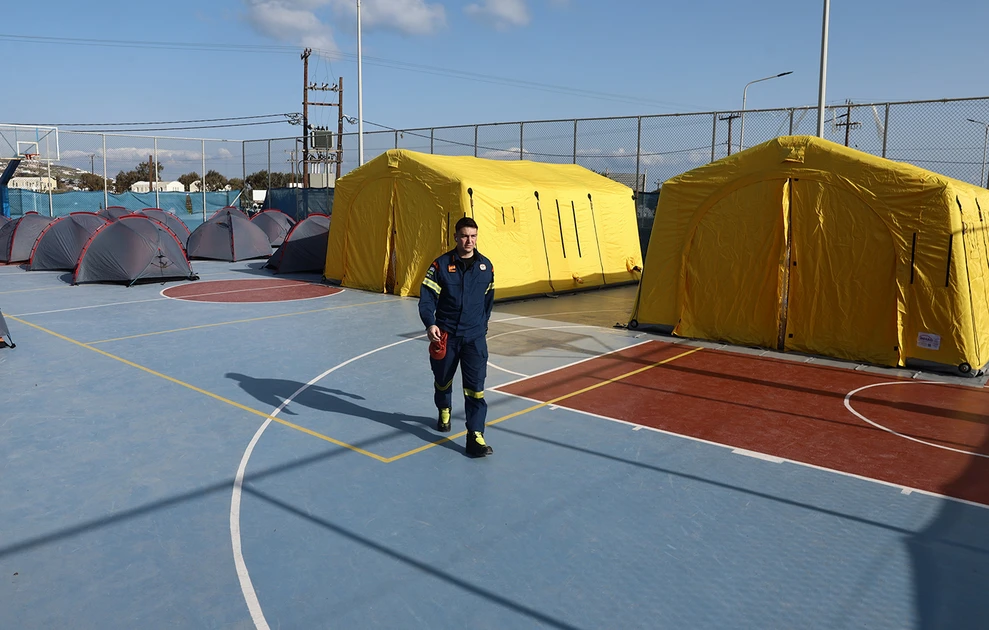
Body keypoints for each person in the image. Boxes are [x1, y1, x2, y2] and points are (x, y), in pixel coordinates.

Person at [418, 216, 495, 457]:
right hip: (446, 336)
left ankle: (475, 435)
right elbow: (427, 298)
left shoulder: (486, 267)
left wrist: (481, 326)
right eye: (464, 236)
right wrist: (430, 323)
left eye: (473, 236)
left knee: (475, 389)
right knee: (442, 380)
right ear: (455, 237)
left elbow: (488, 301)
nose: (469, 241)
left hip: (474, 338)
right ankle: (444, 408)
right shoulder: (440, 265)